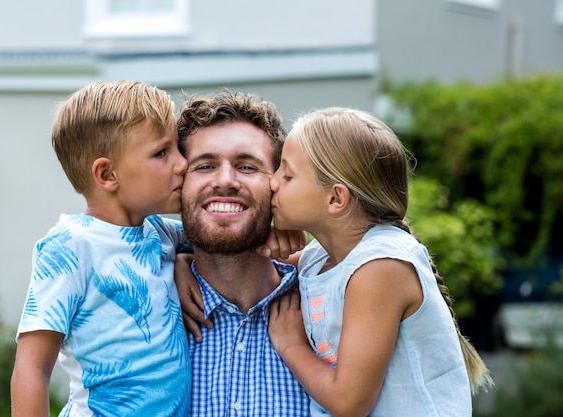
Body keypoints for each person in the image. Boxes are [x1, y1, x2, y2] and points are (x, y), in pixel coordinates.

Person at [267, 107, 494, 417]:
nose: (272, 182)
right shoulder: (320, 258)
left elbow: (349, 403)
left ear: (336, 199)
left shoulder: (380, 267)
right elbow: (260, 268)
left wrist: (291, 345)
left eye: (287, 174)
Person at [10, 80, 192, 417]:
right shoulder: (70, 247)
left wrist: (272, 236)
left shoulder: (162, 232)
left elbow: (218, 245)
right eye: (162, 152)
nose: (183, 163)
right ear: (107, 174)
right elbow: (32, 369)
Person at [175, 89, 311, 416]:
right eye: (205, 166)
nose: (225, 181)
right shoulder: (147, 303)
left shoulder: (327, 302)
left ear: (278, 184)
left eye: (247, 167)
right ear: (178, 184)